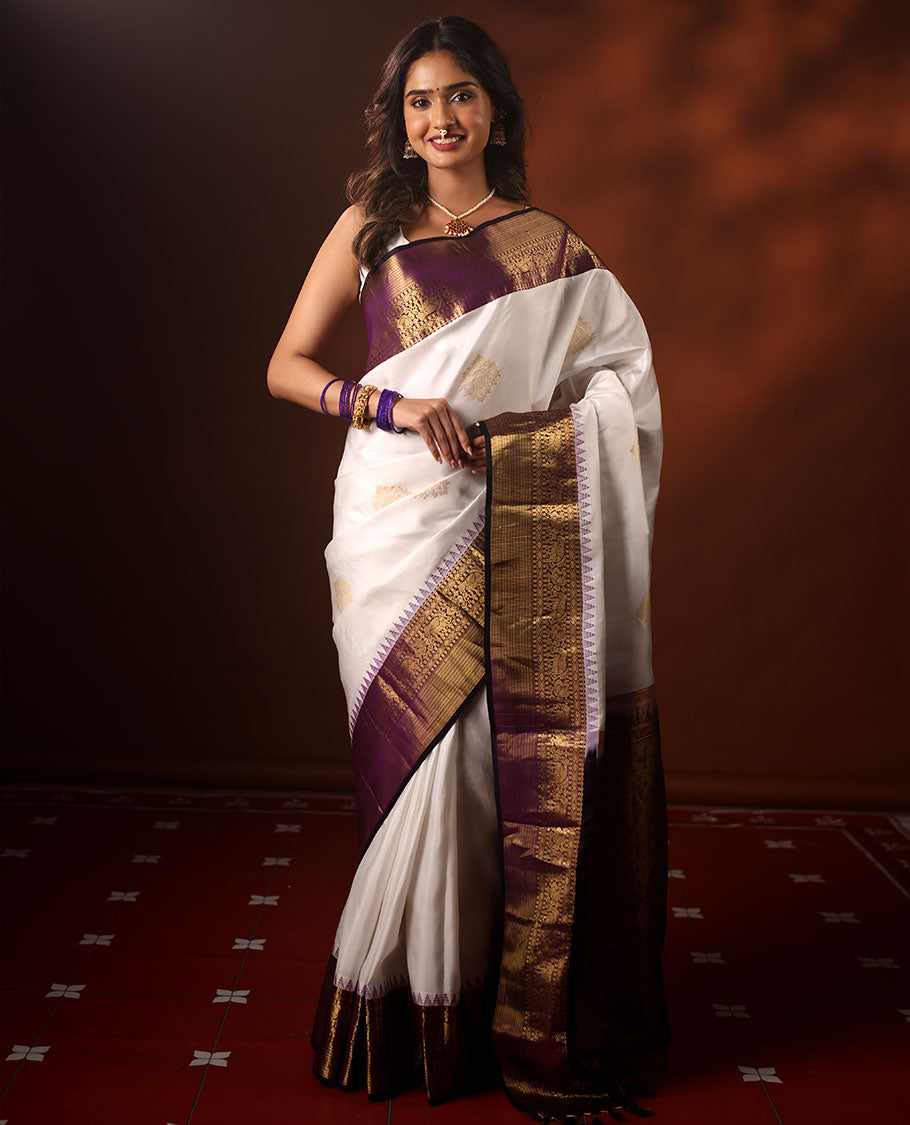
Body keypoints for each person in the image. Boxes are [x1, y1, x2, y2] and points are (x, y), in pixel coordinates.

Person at [267, 15, 670, 1122]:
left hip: (514, 508)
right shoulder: (369, 226)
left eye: (459, 96)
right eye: (419, 101)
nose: (439, 118)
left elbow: (620, 392)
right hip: (392, 516)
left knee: (488, 762)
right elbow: (285, 366)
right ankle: (397, 1001)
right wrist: (391, 405)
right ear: (398, 120)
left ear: (495, 110)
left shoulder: (551, 248)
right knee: (418, 754)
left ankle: (494, 1003)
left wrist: (533, 443)